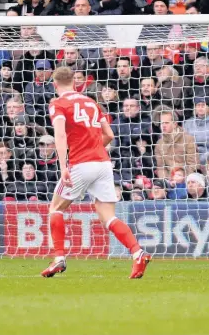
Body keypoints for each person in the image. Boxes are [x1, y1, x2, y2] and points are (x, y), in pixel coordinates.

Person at [42, 66, 151, 279]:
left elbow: (60, 136)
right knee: (108, 217)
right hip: (102, 164)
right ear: (75, 82)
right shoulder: (91, 102)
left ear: (55, 84)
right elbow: (109, 134)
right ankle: (137, 252)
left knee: (56, 208)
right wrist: (93, 147)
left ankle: (59, 258)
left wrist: (64, 166)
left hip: (80, 164)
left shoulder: (58, 103)